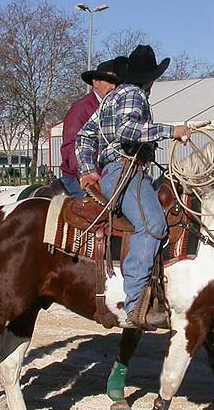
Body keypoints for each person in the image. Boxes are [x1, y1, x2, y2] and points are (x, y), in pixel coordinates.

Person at [76, 45, 191, 329]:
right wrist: (170, 131)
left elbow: (84, 135)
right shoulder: (135, 95)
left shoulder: (110, 98)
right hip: (127, 171)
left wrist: (89, 170)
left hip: (117, 170)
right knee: (153, 225)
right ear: (150, 79)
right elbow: (128, 130)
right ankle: (135, 304)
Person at [60, 56, 125, 198]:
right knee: (98, 214)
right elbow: (72, 148)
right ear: (95, 82)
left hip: (110, 176)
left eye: (116, 83)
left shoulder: (115, 107)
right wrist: (87, 173)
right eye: (109, 81)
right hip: (78, 179)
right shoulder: (81, 109)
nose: (113, 87)